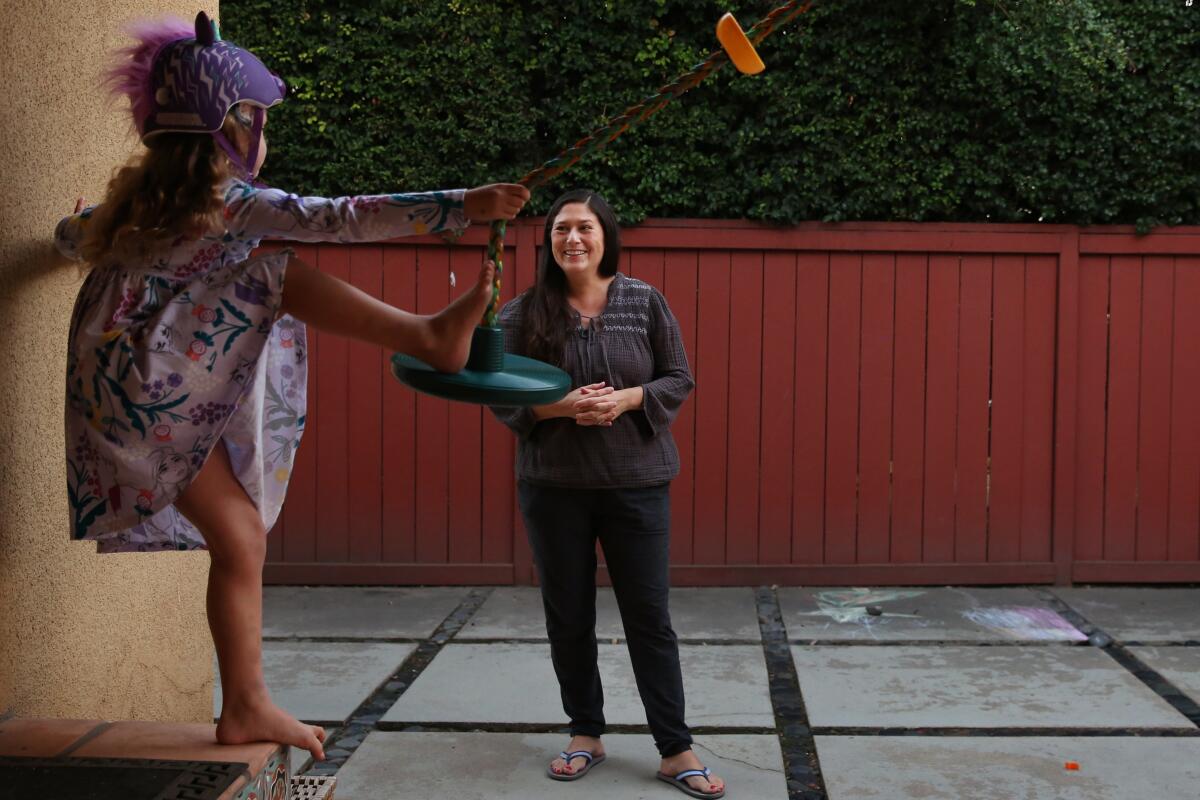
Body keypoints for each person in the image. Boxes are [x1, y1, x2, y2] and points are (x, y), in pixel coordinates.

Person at [55, 11, 529, 761]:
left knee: (240, 537)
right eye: (259, 121)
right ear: (233, 129)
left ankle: (244, 704)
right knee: (274, 273)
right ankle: (425, 337)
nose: (264, 137)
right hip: (152, 393)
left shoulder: (131, 207)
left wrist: (75, 230)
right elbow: (338, 220)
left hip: (119, 397)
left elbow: (69, 234)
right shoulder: (228, 202)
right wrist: (462, 205)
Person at [490, 189, 725, 798]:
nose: (573, 238)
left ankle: (675, 748)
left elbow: (679, 376)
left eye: (585, 228)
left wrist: (625, 399)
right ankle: (585, 733)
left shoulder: (644, 301)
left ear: (606, 236)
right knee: (568, 616)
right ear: (548, 240)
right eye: (562, 228)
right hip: (553, 487)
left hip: (637, 486)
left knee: (649, 618)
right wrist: (558, 408)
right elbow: (495, 389)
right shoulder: (521, 312)